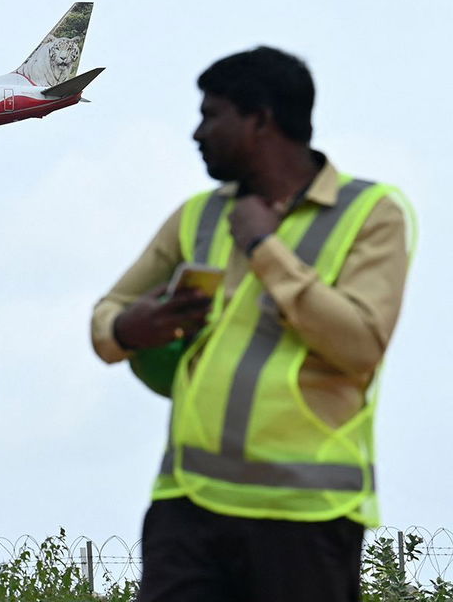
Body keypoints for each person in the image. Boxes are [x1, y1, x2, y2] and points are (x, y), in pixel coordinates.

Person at [91, 47, 414, 602]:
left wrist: (265, 247)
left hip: (306, 514)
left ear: (261, 120)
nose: (197, 132)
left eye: (211, 115)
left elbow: (360, 346)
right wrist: (130, 329)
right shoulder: (197, 215)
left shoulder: (373, 213)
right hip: (187, 507)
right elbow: (105, 319)